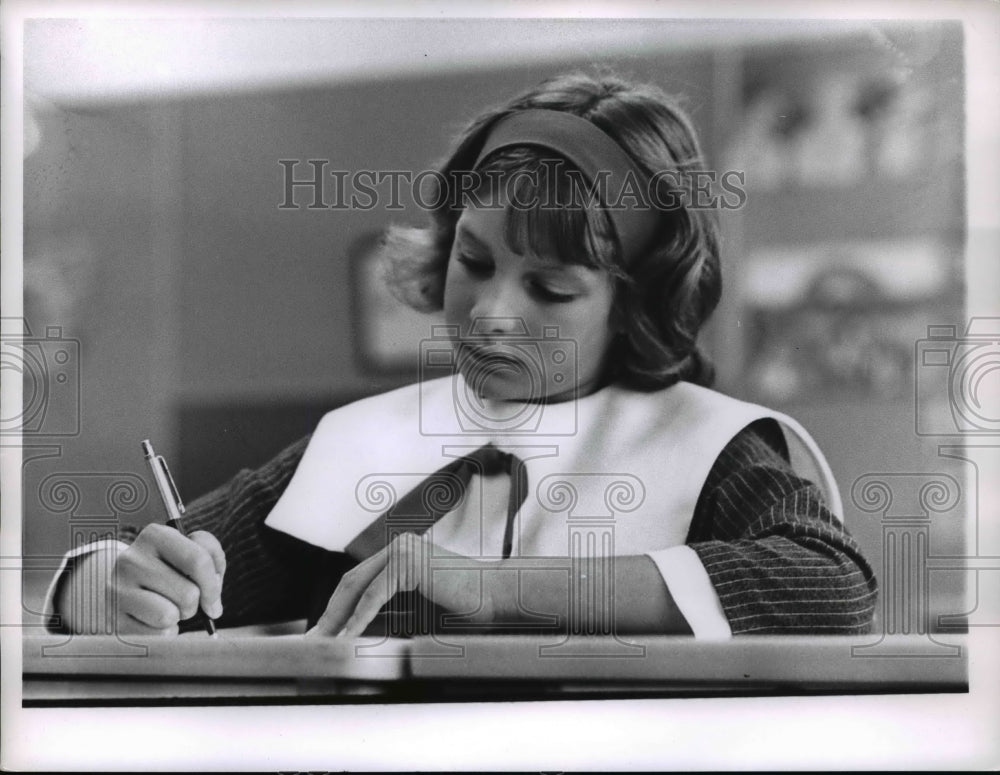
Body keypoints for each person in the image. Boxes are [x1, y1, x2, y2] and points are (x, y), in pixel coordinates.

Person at [46, 71, 877, 640]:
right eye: (472, 262)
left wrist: (488, 585)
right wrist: (115, 588)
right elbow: (161, 572)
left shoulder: (714, 447)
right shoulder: (371, 441)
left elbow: (831, 585)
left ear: (637, 302)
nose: (488, 314)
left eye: (550, 289)